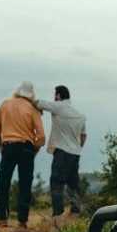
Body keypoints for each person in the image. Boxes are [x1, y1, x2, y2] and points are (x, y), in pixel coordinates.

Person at [0, 81, 45, 228]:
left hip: (8, 147)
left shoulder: (5, 104)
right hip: (26, 148)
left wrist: (1, 147)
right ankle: (22, 221)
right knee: (25, 185)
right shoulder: (33, 109)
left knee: (4, 183)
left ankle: (1, 219)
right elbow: (41, 138)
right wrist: (33, 152)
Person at [36, 85, 87, 221]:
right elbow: (83, 136)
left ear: (58, 96)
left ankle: (57, 215)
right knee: (73, 183)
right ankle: (76, 211)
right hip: (75, 153)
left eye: (55, 95)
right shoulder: (80, 116)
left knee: (56, 182)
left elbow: (38, 103)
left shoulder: (58, 107)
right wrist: (78, 148)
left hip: (62, 151)